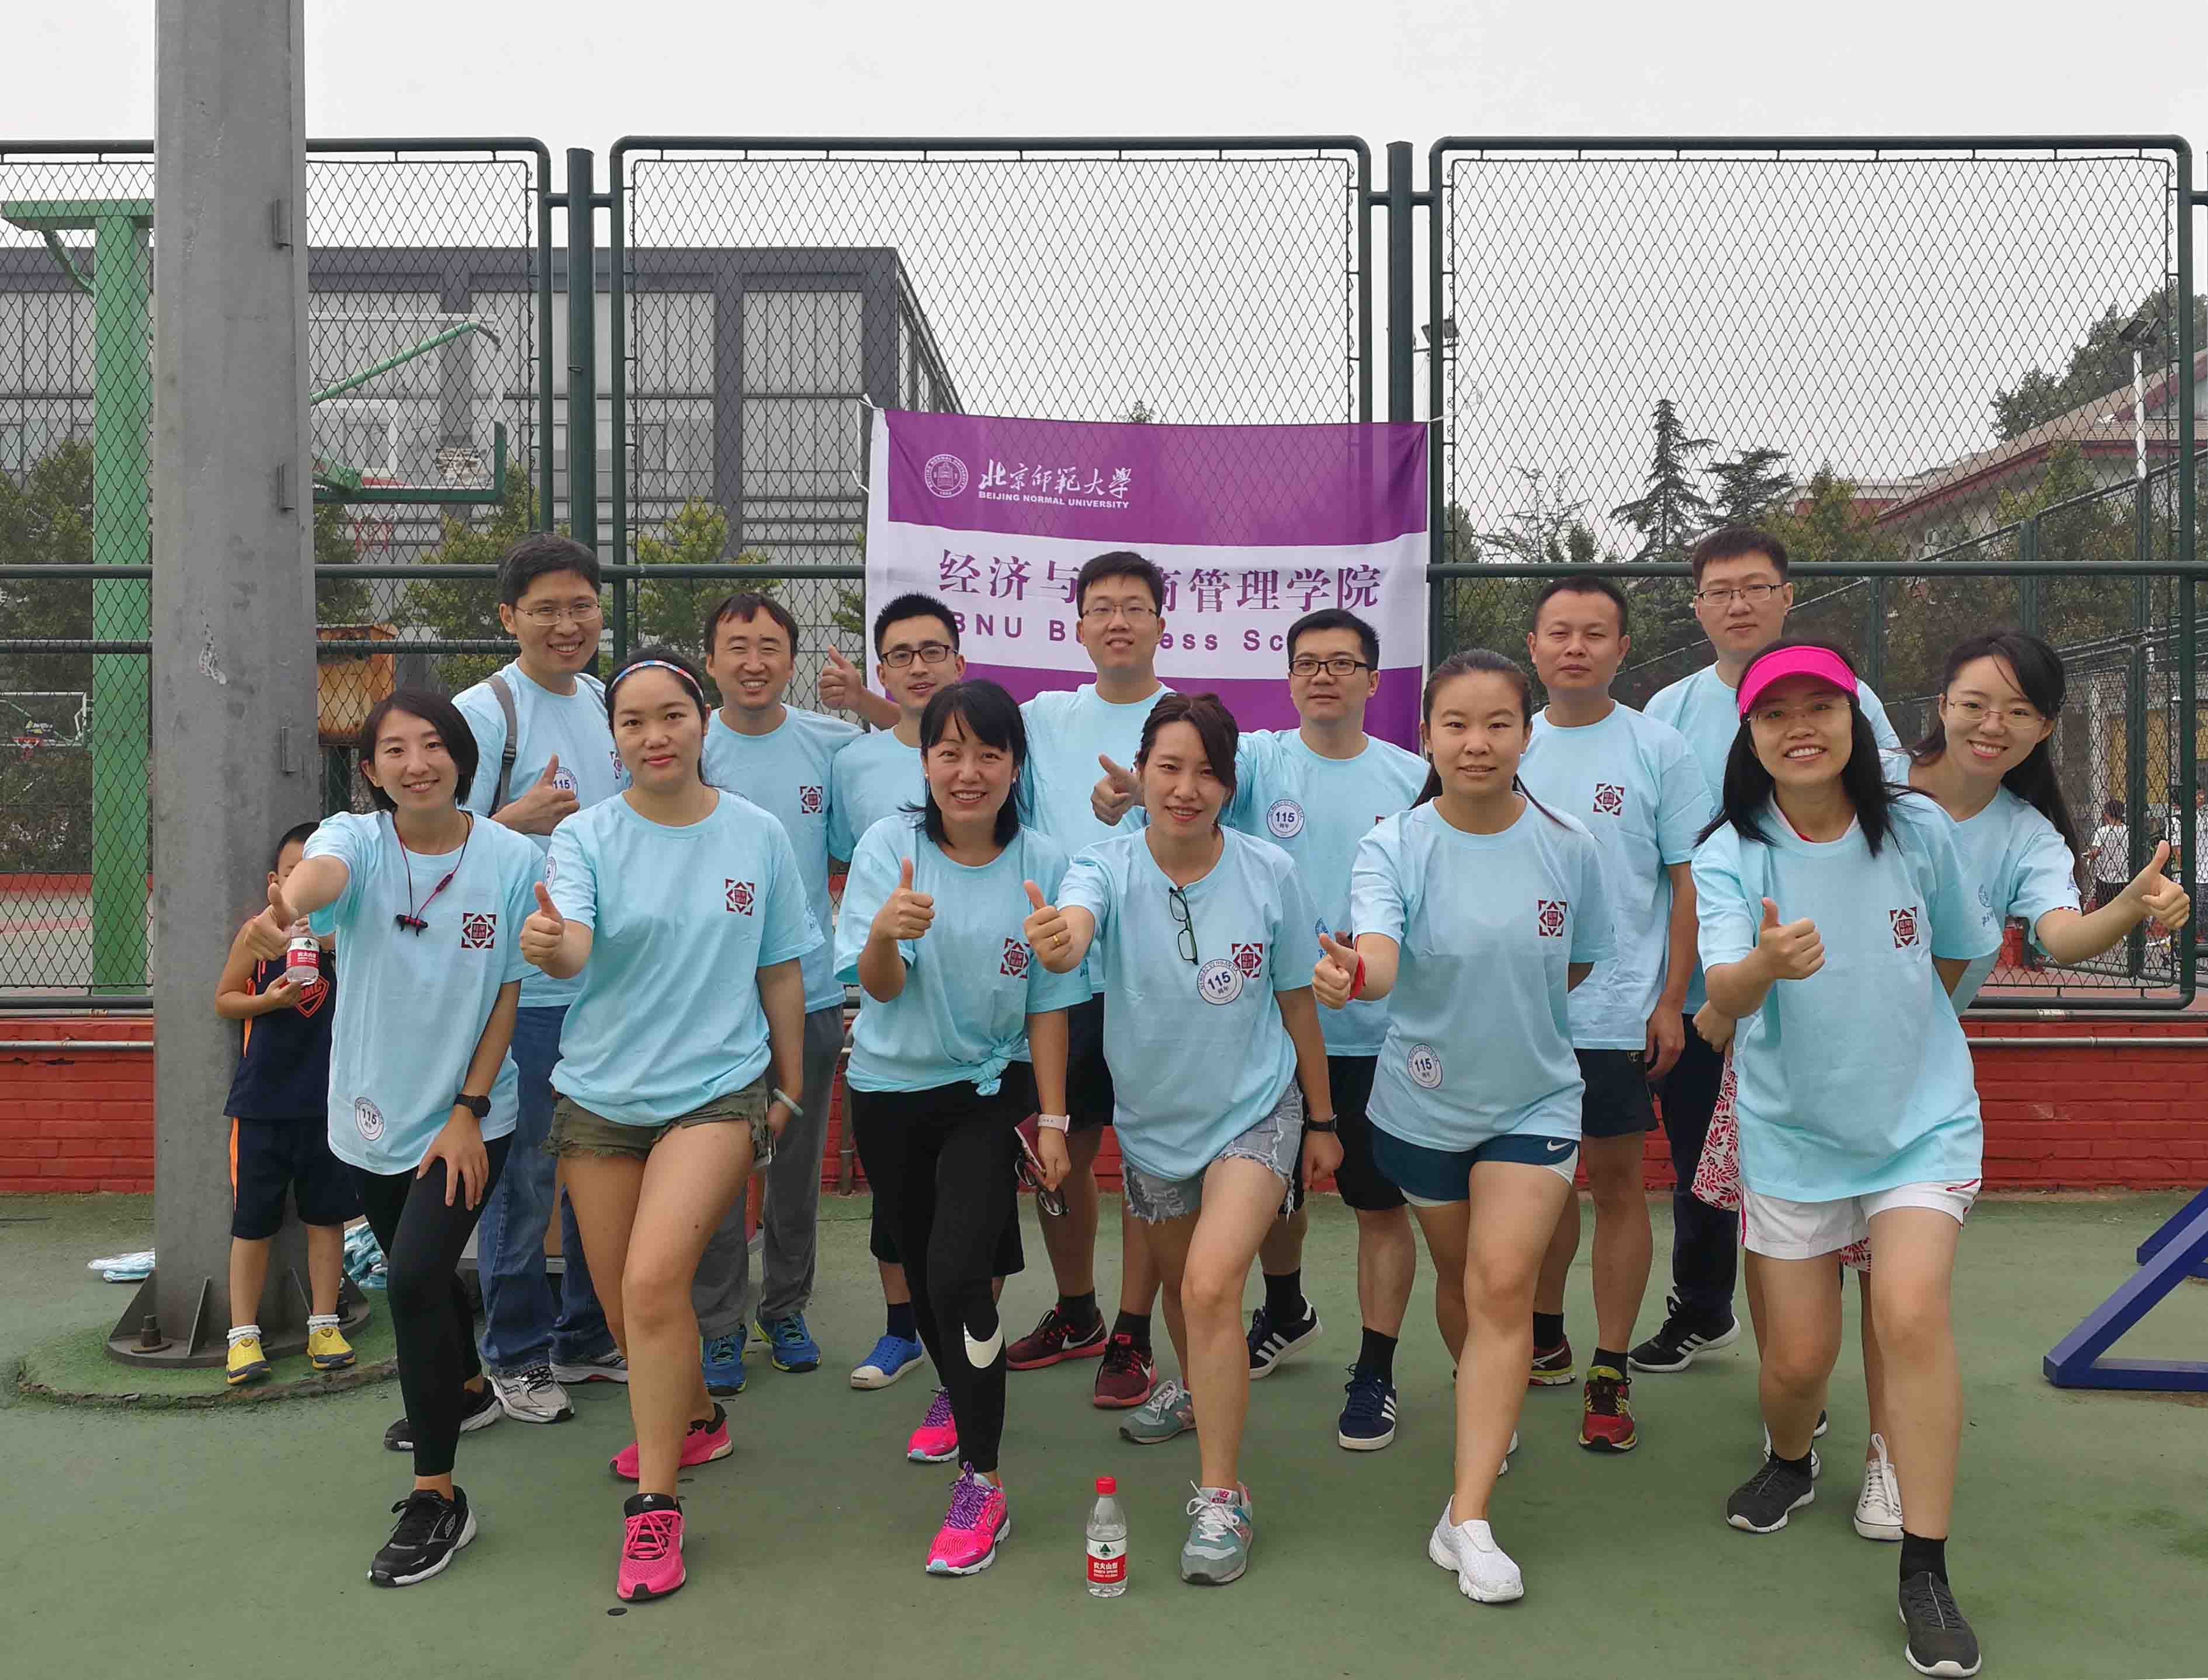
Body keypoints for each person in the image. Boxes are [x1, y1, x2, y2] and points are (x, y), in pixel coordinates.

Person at [1812, 631, 2189, 1550]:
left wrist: (2127, 907)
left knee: (1896, 1298)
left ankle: (1887, 1453)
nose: (1992, 725)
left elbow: (2059, 937)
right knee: (1795, 1329)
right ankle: (1792, 1428)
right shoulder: (1868, 781)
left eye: (2017, 711)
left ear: (2043, 728)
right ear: (1940, 703)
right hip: (1799, 1066)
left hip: (1908, 1088)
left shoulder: (2025, 835)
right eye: (1975, 703)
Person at [1691, 638, 1998, 1679]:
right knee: (1793, 1365)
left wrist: (1909, 1028)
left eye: (1818, 706)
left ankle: (1924, 1569)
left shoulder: (1914, 827)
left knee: (1907, 1313)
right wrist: (1762, 966)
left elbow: (1960, 945)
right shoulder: (1730, 853)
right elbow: (1719, 998)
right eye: (1774, 713)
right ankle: (1790, 1456)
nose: (1800, 728)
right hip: (1790, 1133)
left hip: (1921, 1124)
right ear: (1749, 736)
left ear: (1853, 721)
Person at [1312, 650, 1613, 1606]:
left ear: (1526, 735)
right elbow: (1378, 955)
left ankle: (1467, 1517)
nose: (1475, 742)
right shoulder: (1392, 846)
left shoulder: (1569, 845)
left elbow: (1574, 963)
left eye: (1496, 723)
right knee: (1462, 1284)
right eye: (1454, 724)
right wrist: (1354, 976)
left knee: (1500, 1283)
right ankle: (1489, 1401)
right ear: (1426, 737)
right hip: (1421, 1105)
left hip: (1534, 1101)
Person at [522, 648, 817, 1603]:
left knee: (653, 1286)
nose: (655, 736)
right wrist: (552, 947)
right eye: (633, 722)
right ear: (613, 739)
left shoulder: (757, 835)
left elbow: (780, 966)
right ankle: (695, 1419)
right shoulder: (585, 837)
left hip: (716, 1091)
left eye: (671, 716)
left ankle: (656, 1507)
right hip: (598, 1099)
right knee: (623, 1305)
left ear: (702, 722)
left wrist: (789, 1085)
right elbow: (570, 942)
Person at [1027, 692, 1338, 1586]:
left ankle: (1221, 1497)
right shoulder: (1103, 866)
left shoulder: (1270, 871)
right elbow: (1076, 921)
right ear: (1140, 773)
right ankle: (1199, 1391)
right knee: (1177, 1292)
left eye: (1206, 772)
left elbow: (1295, 1001)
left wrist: (1320, 1120)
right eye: (1168, 767)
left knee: (1208, 1286)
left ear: (1228, 786)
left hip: (1254, 1109)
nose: (1185, 788)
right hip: (1154, 1125)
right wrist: (1063, 938)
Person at [240, 689, 542, 1588]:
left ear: (461, 758)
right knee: (426, 1271)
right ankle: (470, 1389)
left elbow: (508, 993)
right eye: (396, 750)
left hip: (468, 1117)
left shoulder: (511, 859)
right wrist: (291, 905)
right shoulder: (357, 839)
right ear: (370, 770)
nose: (418, 763)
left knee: (410, 1280)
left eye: (434, 745)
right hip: (368, 1116)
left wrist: (469, 1110)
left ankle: (438, 1497)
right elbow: (320, 878)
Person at [1636, 525, 1902, 1376]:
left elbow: (1885, 823)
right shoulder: (1666, 712)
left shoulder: (1848, 699)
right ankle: (1701, 1307)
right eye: (1719, 591)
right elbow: (1660, 860)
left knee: (1818, 1172)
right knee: (1703, 1163)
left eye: (1755, 587)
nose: (1738, 605)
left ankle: (1814, 1351)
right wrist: (1696, 991)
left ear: (1787, 597)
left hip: (1828, 991)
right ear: (1696, 607)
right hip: (1707, 990)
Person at [836, 679, 1086, 1575]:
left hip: (989, 1092)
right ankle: (957, 1386)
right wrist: (883, 933)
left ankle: (982, 1480)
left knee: (956, 1276)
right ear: (924, 762)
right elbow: (879, 988)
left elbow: (1050, 1005)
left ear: (1015, 765)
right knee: (922, 1273)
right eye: (948, 752)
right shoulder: (888, 848)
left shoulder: (1045, 861)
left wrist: (1051, 1121)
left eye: (988, 753)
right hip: (888, 1094)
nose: (967, 771)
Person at [1218, 608, 1428, 1450]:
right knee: (1272, 1194)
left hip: (1379, 1039)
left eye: (1341, 663)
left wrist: (1370, 967)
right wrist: (1126, 792)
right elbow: (1182, 791)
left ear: (1373, 681)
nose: (1322, 676)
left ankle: (1374, 1369)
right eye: (1307, 663)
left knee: (1378, 1207)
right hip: (1269, 1030)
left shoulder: (1413, 777)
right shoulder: (1258, 763)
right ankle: (1284, 1310)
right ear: (1288, 678)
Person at [1518, 575, 1707, 1453]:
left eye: (1594, 633)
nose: (1575, 647)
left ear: (1622, 649)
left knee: (1616, 1184)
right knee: (1537, 1183)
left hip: (1619, 1017)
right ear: (1532, 646)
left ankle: (1608, 1366)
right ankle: (1542, 1332)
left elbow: (1686, 881)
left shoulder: (1658, 747)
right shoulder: (1504, 741)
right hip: (1522, 1017)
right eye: (1558, 631)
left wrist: (1668, 1000)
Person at [452, 533, 626, 1425]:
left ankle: (584, 1336)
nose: (567, 624)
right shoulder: (484, 713)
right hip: (521, 994)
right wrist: (509, 818)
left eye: (581, 606)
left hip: (604, 986)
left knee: (600, 1165)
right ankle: (514, 1353)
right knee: (521, 1181)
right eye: (546, 609)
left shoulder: (604, 702)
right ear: (507, 617)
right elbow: (430, 844)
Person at [1004, 551, 1177, 1411]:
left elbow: (1222, 821)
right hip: (1059, 982)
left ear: (1159, 624)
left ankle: (1132, 1332)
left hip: (1160, 981)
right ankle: (1077, 1311)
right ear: (1075, 626)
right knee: (1057, 1154)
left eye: (1133, 606)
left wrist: (1140, 799)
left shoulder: (1189, 722)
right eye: (1101, 606)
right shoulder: (1040, 719)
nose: (1117, 620)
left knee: (1150, 1161)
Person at [698, 591, 862, 1380]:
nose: (753, 661)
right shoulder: (687, 744)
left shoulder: (833, 744)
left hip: (810, 993)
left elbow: (853, 844)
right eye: (736, 646)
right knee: (715, 1165)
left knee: (794, 1167)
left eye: (769, 646)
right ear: (710, 662)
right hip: (709, 1001)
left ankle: (785, 1307)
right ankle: (718, 1322)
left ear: (791, 661)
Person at [827, 592, 971, 1391]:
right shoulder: (853, 764)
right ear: (882, 669)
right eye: (901, 656)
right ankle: (900, 1330)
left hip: (978, 1015)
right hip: (891, 1010)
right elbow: (844, 863)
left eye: (932, 651)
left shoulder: (995, 745)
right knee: (896, 1197)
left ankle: (970, 1352)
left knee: (973, 1205)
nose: (919, 667)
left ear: (959, 660)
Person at [216, 820, 356, 1387]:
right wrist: (268, 1001)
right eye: (294, 872)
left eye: (316, 873)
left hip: (329, 1104)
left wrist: (330, 944)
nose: (304, 883)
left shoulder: (349, 937)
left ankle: (324, 1323)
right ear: (276, 882)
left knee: (326, 1217)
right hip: (263, 1104)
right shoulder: (257, 935)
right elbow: (225, 999)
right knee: (253, 1223)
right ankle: (242, 1335)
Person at [2085, 799, 2130, 911]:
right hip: (2125, 879)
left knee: (2104, 911)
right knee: (2123, 911)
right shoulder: (2129, 831)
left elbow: (2095, 853)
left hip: (2105, 880)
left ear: (2106, 815)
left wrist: (2088, 855)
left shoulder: (2102, 831)